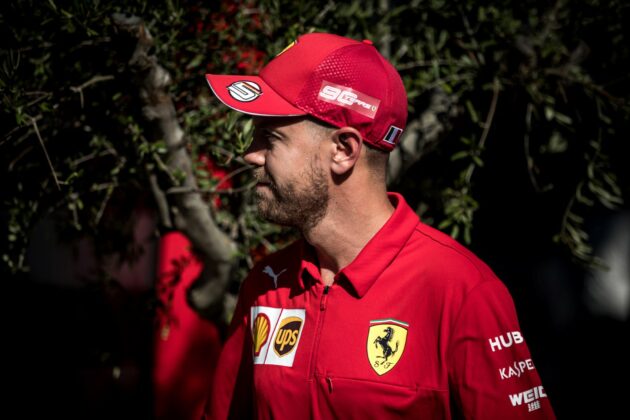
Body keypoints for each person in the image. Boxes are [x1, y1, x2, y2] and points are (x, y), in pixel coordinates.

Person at [203, 32, 556, 419]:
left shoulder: (461, 291)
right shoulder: (266, 283)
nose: (251, 155)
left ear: (343, 150)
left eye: (270, 138)